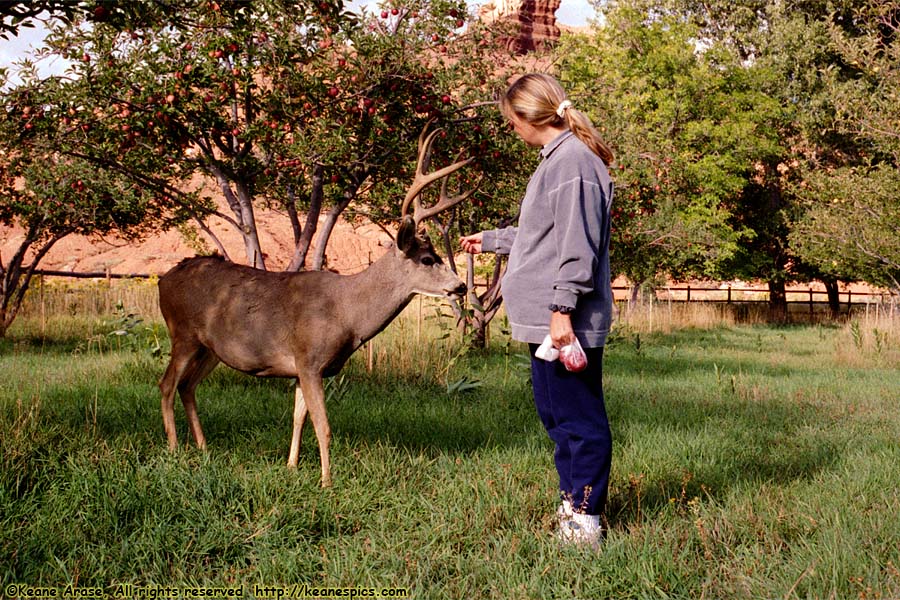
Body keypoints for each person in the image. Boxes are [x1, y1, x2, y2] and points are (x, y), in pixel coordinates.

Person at [460, 73, 615, 548]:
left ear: (529, 116)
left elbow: (577, 246)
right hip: (546, 318)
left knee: (580, 420)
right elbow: (539, 234)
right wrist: (490, 240)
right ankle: (572, 502)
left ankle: (585, 520)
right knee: (556, 416)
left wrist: (563, 309)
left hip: (563, 320)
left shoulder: (574, 164)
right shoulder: (556, 161)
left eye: (511, 122)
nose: (513, 131)